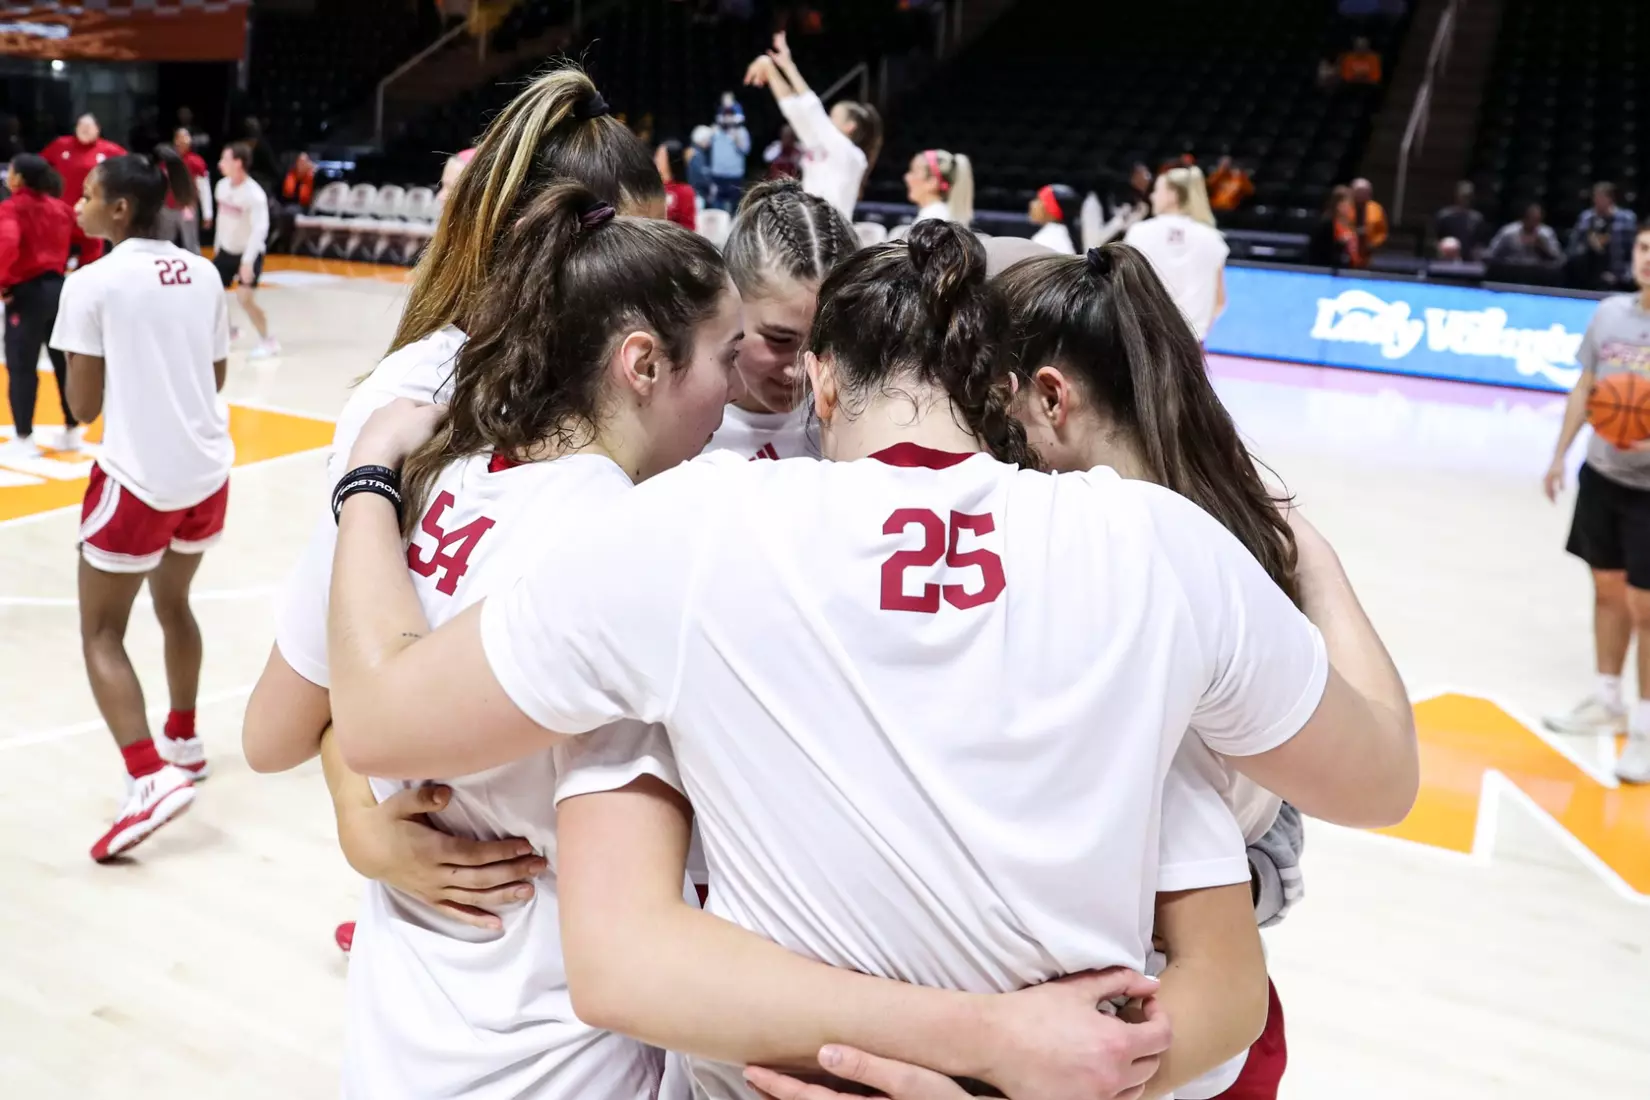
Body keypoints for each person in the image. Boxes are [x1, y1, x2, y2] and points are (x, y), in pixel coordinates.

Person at [326, 223, 1418, 1096]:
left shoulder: (690, 530)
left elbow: (378, 722)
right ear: (999, 391)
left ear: (824, 387)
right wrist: (1309, 557)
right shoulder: (1158, 542)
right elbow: (1380, 779)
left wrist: (371, 481)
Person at [240, 64, 667, 953]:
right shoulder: (420, 394)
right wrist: (360, 815)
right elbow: (305, 704)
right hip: (495, 912)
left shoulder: (644, 389)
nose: (651, 283)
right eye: (628, 252)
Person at [48, 144, 230, 862]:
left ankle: (149, 776)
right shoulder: (206, 271)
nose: (78, 202)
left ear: (120, 209)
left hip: (137, 478)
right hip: (206, 472)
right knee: (175, 606)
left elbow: (84, 407)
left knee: (100, 633)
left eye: (88, 193)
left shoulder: (91, 283)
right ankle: (184, 739)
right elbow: (213, 376)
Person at [1541, 224, 1650, 785]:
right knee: (1606, 591)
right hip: (1603, 475)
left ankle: (1647, 728)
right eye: (1644, 248)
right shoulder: (1609, 314)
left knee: (1645, 607)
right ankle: (1607, 698)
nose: (1649, 259)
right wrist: (1560, 455)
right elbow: (1586, 387)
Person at [714, 178, 855, 460]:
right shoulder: (679, 424)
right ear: (730, 306)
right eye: (780, 340)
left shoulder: (863, 419)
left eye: (824, 343)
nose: (802, 371)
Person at [744, 31, 882, 222]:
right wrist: (774, 69)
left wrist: (783, 66)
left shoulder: (851, 154)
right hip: (811, 226)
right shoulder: (819, 143)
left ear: (850, 126)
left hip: (835, 234)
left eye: (832, 117)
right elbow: (793, 108)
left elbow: (812, 109)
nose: (826, 120)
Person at [0, 154, 86, 457]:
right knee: (63, 363)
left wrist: (4, 284)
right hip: (60, 291)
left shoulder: (11, 208)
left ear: (19, 178)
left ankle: (24, 438)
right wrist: (84, 272)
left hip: (27, 293)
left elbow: (7, 244)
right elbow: (89, 238)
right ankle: (73, 430)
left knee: (22, 366)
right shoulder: (60, 207)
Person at [1125, 166, 1229, 340]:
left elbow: (1125, 291)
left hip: (1147, 343)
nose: (1152, 196)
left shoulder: (1139, 232)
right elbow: (1219, 303)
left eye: (1157, 190)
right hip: (1191, 344)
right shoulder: (1213, 239)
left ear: (1173, 195)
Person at [213, 142, 277, 360]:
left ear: (238, 163)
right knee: (212, 293)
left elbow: (260, 229)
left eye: (225, 159)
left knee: (244, 299)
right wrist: (218, 247)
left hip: (248, 253)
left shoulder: (254, 195)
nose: (220, 163)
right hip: (226, 250)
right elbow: (222, 221)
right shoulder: (221, 187)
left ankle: (269, 340)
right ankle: (229, 332)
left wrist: (247, 262)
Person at [41, 114, 125, 264]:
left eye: (88, 127)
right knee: (56, 255)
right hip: (62, 212)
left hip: (92, 211)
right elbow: (40, 166)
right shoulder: (61, 144)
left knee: (92, 255)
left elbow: (129, 168)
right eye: (81, 126)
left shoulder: (109, 149)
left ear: (97, 129)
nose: (84, 130)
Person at [1566, 181, 1638, 290]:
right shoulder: (1586, 218)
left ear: (1610, 199)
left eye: (1601, 197)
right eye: (1595, 197)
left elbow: (1633, 250)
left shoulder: (1626, 219)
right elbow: (1573, 246)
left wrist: (1623, 275)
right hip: (1589, 271)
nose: (1596, 201)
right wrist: (1588, 244)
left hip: (1617, 273)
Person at [905, 148, 974, 225]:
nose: (907, 177)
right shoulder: (934, 215)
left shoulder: (932, 221)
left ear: (932, 182)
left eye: (914, 172)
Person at [707, 92, 750, 211]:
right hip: (717, 176)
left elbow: (745, 149)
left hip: (734, 176)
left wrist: (735, 132)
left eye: (730, 114)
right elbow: (704, 143)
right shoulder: (715, 130)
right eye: (725, 114)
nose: (727, 117)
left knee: (734, 208)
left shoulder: (741, 131)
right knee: (716, 209)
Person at [1486, 202, 1563, 267]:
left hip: (1538, 270)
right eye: (1531, 219)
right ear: (1524, 218)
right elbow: (1491, 253)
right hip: (1512, 268)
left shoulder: (1547, 233)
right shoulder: (1508, 231)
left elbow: (1559, 258)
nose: (1534, 224)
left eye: (1537, 220)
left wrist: (1542, 247)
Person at [1307, 186, 1363, 269]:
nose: (1350, 208)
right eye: (1348, 204)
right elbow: (1322, 252)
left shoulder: (1345, 222)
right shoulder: (1326, 224)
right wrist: (1341, 243)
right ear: (1338, 205)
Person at [1433, 181, 1485, 261]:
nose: (1465, 199)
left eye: (1468, 196)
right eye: (1463, 196)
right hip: (1446, 260)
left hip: (1468, 261)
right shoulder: (1444, 216)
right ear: (1457, 195)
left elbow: (1479, 243)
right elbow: (1437, 239)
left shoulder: (1477, 219)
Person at [1027, 183, 1081, 255]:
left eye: (1038, 199)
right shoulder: (1063, 235)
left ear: (1051, 208)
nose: (1032, 203)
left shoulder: (1047, 240)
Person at [656, 140, 697, 230]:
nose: (656, 159)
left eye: (660, 156)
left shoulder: (684, 191)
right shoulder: (653, 187)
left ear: (671, 160)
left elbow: (688, 226)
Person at [1349, 178, 1387, 263]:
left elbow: (1382, 232)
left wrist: (1373, 244)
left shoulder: (1376, 209)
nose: (1362, 194)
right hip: (1347, 251)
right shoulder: (1344, 207)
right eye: (1359, 191)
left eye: (1365, 192)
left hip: (1370, 253)